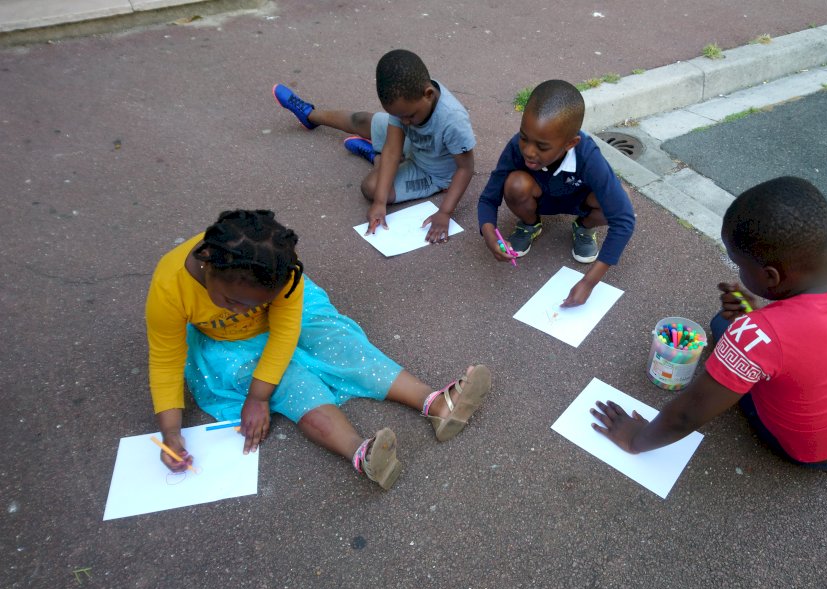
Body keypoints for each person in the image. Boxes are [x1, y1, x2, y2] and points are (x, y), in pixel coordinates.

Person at [146, 210, 491, 490]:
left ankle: (435, 403)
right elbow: (165, 362)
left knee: (342, 345)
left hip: (294, 317)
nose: (243, 310)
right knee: (294, 387)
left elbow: (283, 333)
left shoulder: (282, 270)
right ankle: (362, 453)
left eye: (257, 303)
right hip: (228, 344)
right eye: (231, 301)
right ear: (208, 265)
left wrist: (258, 397)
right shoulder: (169, 287)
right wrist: (172, 433)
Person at [592, 177, 827, 469]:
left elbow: (689, 412)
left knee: (731, 339)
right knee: (730, 327)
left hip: (814, 453)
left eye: (740, 264)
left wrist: (636, 439)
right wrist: (759, 317)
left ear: (771, 276)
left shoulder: (752, 337)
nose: (738, 272)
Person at [272, 49, 475, 242]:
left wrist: (445, 212)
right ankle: (310, 115)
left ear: (428, 94)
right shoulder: (406, 108)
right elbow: (393, 148)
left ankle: (374, 157)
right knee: (361, 120)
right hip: (413, 145)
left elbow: (466, 168)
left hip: (433, 173)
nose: (403, 121)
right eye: (398, 116)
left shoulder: (452, 120)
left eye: (409, 115)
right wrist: (379, 204)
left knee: (370, 187)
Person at [477, 80, 636, 307]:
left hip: (580, 202)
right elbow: (488, 197)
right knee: (514, 184)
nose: (528, 151)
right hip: (539, 198)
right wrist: (489, 233)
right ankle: (530, 224)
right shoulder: (516, 147)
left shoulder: (588, 156)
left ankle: (584, 227)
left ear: (571, 143)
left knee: (621, 199)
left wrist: (589, 282)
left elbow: (624, 220)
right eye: (524, 137)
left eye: (542, 147)